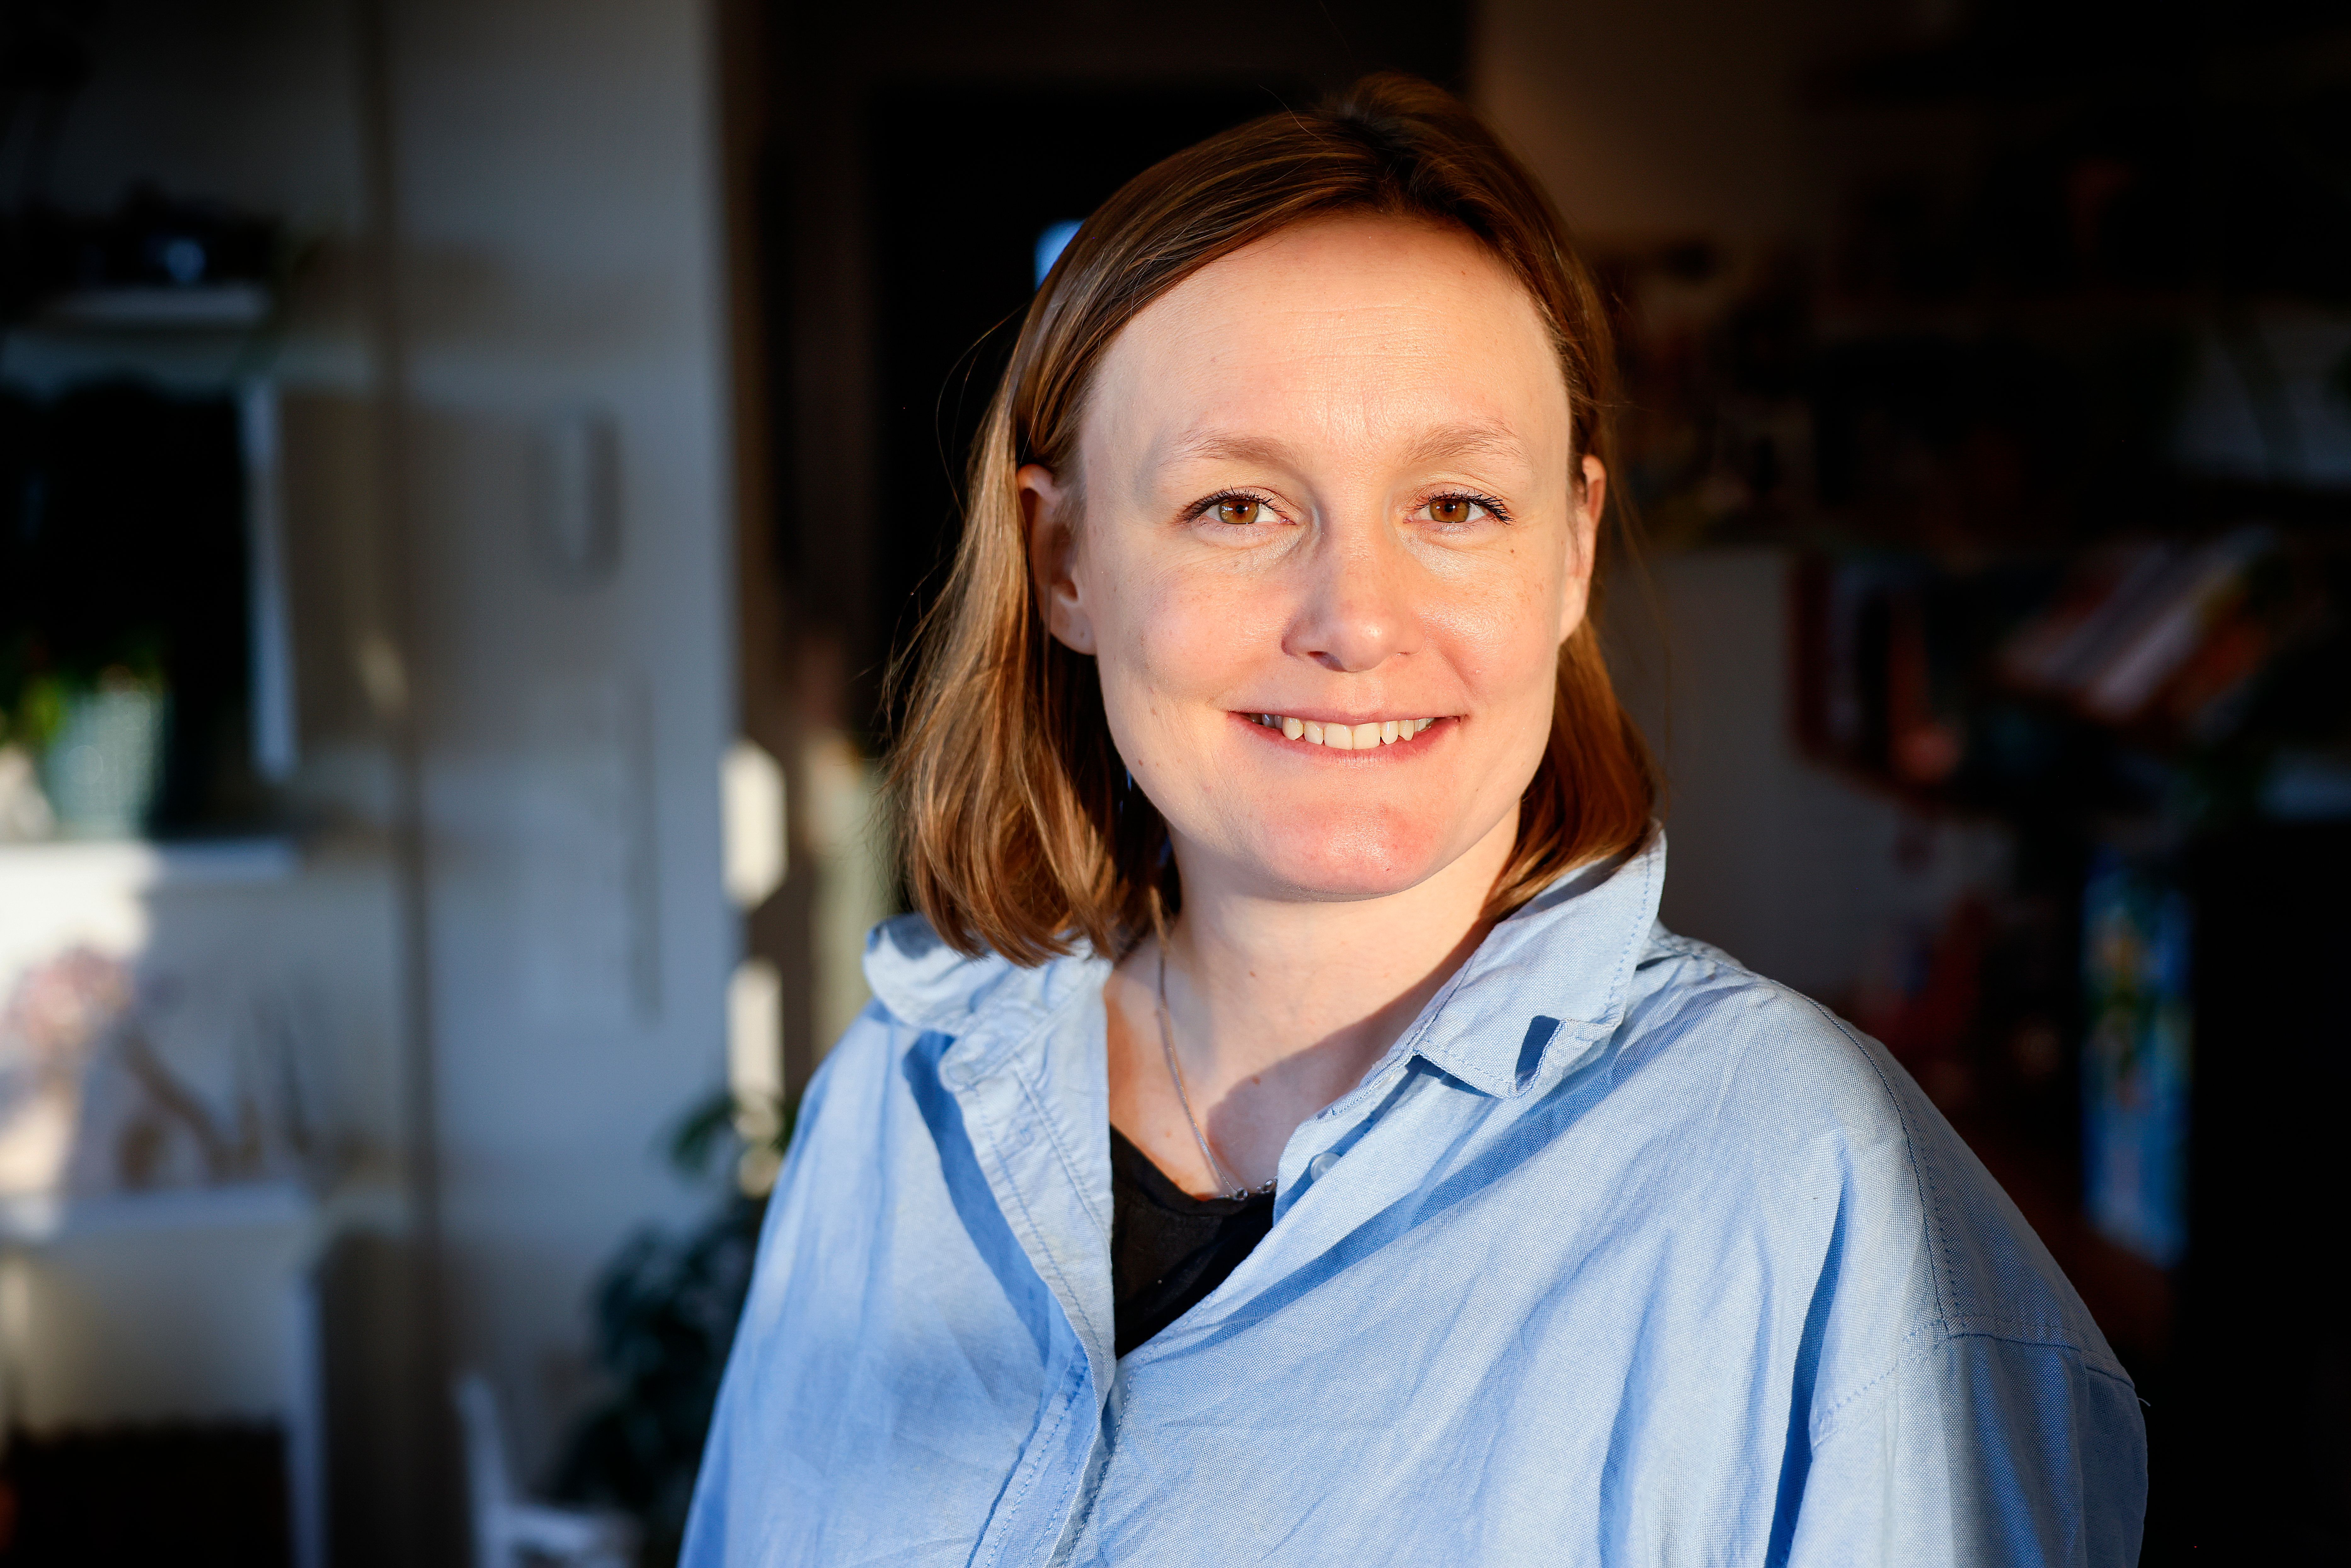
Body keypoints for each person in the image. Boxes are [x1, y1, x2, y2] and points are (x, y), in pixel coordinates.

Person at [683, 75, 2145, 1566]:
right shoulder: (901, 1101)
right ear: (1065, 564)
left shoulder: (1807, 1184)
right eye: (1237, 507)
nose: (1356, 622)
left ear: (1570, 552)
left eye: (1455, 506)